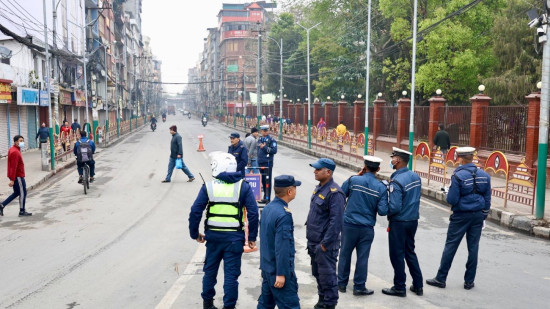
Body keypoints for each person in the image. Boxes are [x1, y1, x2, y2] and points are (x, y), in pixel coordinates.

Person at [188, 152, 259, 309]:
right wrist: (252, 237)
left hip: (213, 239)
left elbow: (195, 212)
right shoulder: (243, 186)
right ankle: (229, 306)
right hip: (234, 240)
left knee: (210, 272)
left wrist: (195, 234)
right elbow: (254, 214)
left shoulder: (208, 186)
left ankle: (208, 305)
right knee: (231, 276)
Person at [426, 147, 491, 291]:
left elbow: (452, 199)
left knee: (451, 246)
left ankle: (441, 278)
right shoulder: (485, 176)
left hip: (461, 215)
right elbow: (487, 198)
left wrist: (447, 194)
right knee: (473, 248)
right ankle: (469, 282)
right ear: (472, 157)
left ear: (460, 158)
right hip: (478, 215)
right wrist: (484, 214)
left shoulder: (458, 176)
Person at [338, 155, 388, 296]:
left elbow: (341, 194)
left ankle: (341, 284)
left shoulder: (354, 180)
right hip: (366, 228)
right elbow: (383, 211)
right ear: (378, 169)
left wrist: (356, 176)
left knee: (345, 254)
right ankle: (359, 287)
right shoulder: (381, 187)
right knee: (363, 257)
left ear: (364, 167)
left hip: (349, 225)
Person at [382, 147, 423, 297]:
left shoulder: (397, 181)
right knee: (409, 251)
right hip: (413, 220)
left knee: (397, 254)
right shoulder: (415, 176)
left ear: (398, 160)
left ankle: (399, 287)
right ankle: (418, 285)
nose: (391, 160)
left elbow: (394, 207)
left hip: (399, 222)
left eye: (393, 157)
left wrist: (383, 209)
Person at [306, 158, 345, 309]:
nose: (314, 171)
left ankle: (329, 304)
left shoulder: (335, 193)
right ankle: (322, 300)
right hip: (314, 242)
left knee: (328, 278)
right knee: (318, 275)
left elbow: (336, 223)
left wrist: (324, 244)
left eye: (318, 169)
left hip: (325, 246)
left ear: (328, 172)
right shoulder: (319, 188)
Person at [257, 175, 301, 309]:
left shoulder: (268, 208)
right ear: (289, 191)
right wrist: (281, 274)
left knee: (265, 305)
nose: (295, 191)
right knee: (290, 306)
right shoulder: (283, 215)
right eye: (295, 188)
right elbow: (282, 247)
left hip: (267, 268)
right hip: (279, 272)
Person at [0, 135, 32, 217]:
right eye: (20, 141)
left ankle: (2, 205)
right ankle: (22, 211)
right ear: (16, 142)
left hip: (16, 175)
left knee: (17, 192)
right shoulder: (15, 152)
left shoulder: (14, 150)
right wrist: (12, 179)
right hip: (18, 176)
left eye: (23, 140)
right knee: (23, 192)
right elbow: (13, 167)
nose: (22, 142)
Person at [257, 125, 277, 203]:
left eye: (266, 131)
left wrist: (264, 148)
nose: (264, 132)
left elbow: (274, 150)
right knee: (263, 180)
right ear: (261, 131)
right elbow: (258, 149)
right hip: (261, 162)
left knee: (267, 180)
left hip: (267, 162)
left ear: (268, 131)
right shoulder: (260, 139)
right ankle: (265, 196)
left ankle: (267, 198)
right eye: (263, 131)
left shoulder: (271, 140)